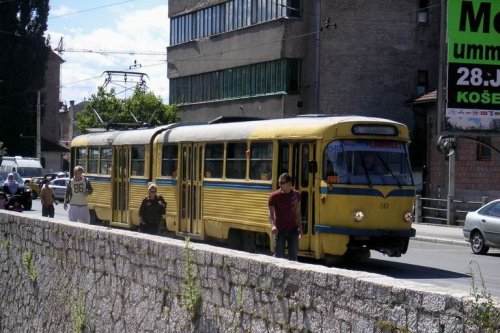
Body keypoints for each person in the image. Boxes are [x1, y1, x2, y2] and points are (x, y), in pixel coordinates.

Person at [268, 173, 302, 261]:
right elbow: (270, 213)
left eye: (282, 183)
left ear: (289, 183)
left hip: (293, 230)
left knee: (293, 257)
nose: (280, 185)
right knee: (278, 257)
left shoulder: (296, 195)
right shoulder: (274, 196)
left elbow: (298, 213)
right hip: (280, 230)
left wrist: (300, 228)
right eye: (279, 183)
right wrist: (273, 225)